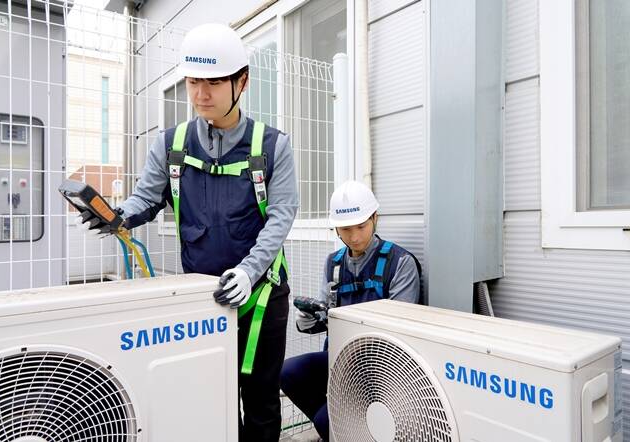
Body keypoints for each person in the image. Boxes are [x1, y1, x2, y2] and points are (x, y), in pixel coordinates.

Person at [76, 23, 298, 442]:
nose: (200, 94)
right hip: (203, 298)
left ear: (242, 81)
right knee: (210, 399)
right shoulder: (171, 144)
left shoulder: (271, 146)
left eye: (213, 83)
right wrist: (116, 216)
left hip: (261, 295)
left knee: (262, 402)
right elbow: (146, 198)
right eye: (193, 82)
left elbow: (281, 215)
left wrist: (249, 271)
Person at [279, 180, 422, 441]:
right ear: (336, 228)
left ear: (375, 218)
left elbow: (399, 332)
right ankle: (345, 427)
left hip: (382, 369)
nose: (354, 237)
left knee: (325, 421)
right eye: (346, 229)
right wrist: (309, 320)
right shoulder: (333, 264)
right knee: (288, 373)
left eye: (361, 226)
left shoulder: (400, 263)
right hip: (339, 358)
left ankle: (339, 426)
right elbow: (325, 315)